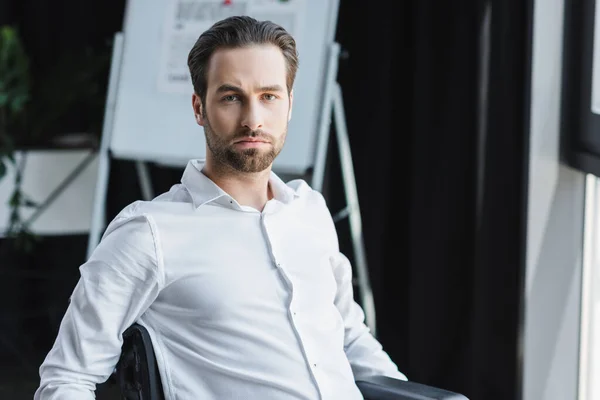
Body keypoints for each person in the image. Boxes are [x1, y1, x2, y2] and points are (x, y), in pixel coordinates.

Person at [34, 15, 406, 400]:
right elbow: (67, 379)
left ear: (290, 105)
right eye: (231, 97)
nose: (253, 120)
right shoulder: (149, 233)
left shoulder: (309, 210)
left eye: (269, 96)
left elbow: (350, 336)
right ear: (199, 108)